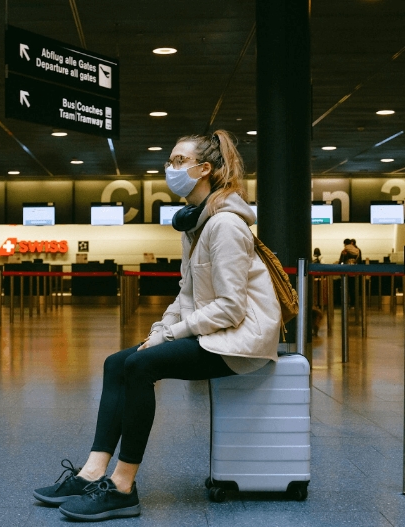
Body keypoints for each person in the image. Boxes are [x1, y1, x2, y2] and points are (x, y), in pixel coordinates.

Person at [33, 130, 282, 521]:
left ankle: (122, 487)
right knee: (118, 362)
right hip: (214, 333)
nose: (170, 168)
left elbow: (232, 308)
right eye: (170, 160)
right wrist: (159, 330)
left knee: (140, 366)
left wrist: (172, 335)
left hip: (239, 342)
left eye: (179, 161)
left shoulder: (226, 226)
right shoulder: (196, 225)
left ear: (205, 170)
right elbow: (187, 293)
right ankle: (91, 472)